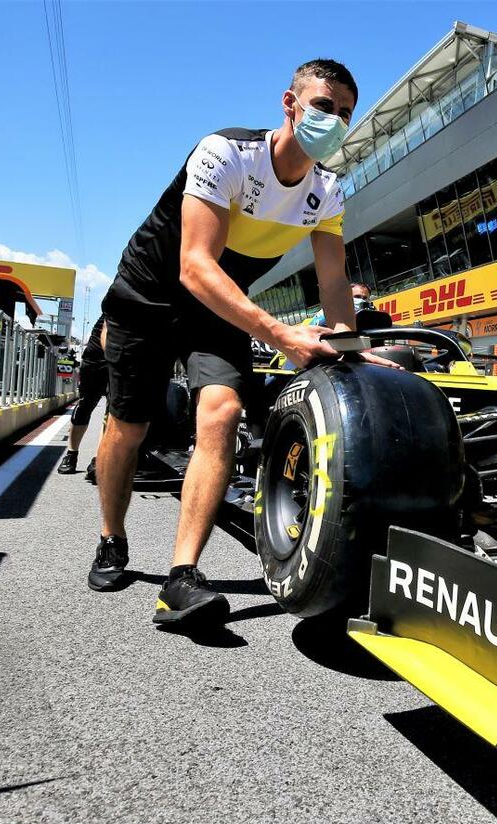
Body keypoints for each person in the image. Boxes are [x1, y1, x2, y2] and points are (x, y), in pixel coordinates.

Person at [88, 58, 399, 627]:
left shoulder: (327, 191)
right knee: (128, 429)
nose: (334, 120)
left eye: (345, 114)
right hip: (150, 294)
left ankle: (181, 578)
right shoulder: (225, 153)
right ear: (290, 103)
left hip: (219, 307)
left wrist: (353, 349)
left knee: (223, 411)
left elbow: (333, 283)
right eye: (324, 106)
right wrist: (280, 334)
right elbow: (194, 266)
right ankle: (111, 535)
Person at [57, 315, 108, 474]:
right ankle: (71, 454)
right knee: (85, 405)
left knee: (114, 410)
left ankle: (100, 459)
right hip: (97, 355)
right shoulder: (119, 294)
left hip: (123, 357)